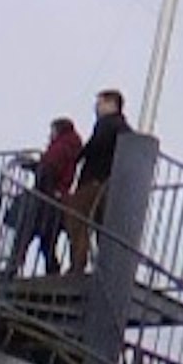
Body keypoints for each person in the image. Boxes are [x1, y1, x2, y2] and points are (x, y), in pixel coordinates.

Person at [7, 111, 83, 274]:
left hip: (44, 200)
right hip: (58, 199)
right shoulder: (70, 147)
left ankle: (11, 269)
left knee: (24, 235)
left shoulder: (60, 147)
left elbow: (48, 168)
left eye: (52, 131)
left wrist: (36, 170)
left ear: (58, 130)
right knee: (47, 241)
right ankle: (53, 273)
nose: (49, 135)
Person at [70, 87, 129, 261]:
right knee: (103, 227)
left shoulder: (107, 124)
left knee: (78, 222)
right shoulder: (123, 129)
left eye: (100, 103)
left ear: (112, 104)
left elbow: (96, 146)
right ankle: (105, 264)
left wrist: (79, 155)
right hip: (109, 184)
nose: (96, 107)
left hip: (94, 181)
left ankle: (78, 264)